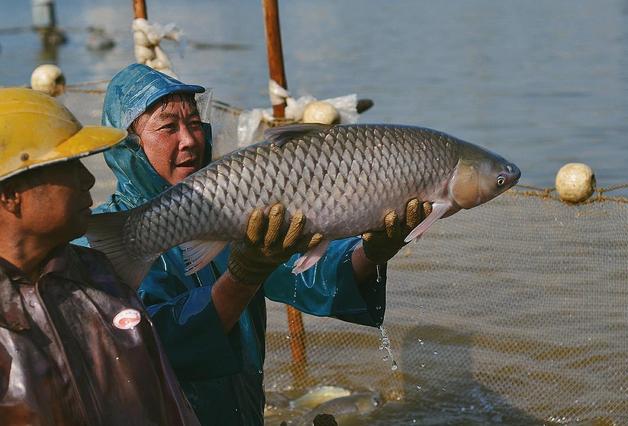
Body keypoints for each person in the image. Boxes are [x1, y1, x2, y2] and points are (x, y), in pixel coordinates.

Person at [80, 63, 430, 425]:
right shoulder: (99, 244)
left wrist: (371, 251)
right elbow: (149, 349)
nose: (189, 140)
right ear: (129, 147)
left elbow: (308, 276)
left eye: (195, 124)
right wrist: (243, 276)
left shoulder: (234, 211)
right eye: (168, 127)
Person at [0, 87, 199, 425]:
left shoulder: (102, 281)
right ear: (10, 195)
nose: (89, 179)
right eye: (68, 166)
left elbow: (170, 408)